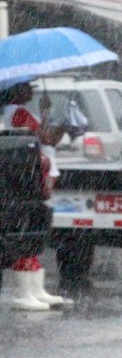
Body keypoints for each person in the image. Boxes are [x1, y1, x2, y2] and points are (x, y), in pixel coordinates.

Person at [1, 81, 72, 311]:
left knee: (34, 232)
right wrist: (55, 122)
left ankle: (34, 288)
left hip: (35, 172)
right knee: (27, 231)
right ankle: (25, 292)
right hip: (32, 176)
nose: (32, 91)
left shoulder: (18, 112)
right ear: (16, 91)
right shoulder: (17, 113)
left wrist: (44, 113)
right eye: (27, 87)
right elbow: (46, 138)